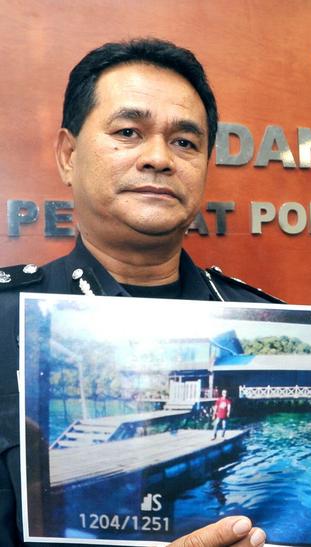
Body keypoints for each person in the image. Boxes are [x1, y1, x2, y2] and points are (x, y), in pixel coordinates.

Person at [0, 38, 280, 547]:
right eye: (128, 132)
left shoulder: (255, 322)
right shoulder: (4, 320)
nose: (158, 158)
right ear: (68, 155)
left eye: (185, 143)